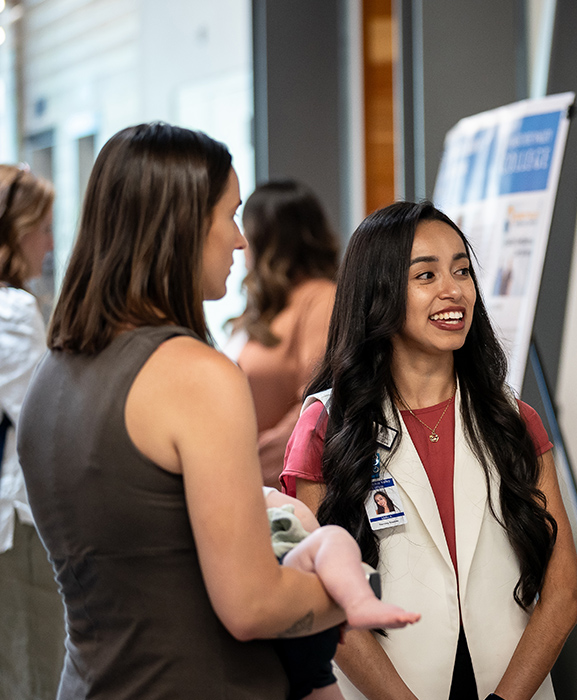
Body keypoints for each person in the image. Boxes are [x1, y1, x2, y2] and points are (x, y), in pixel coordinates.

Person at [17, 122, 348, 699]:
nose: (240, 240)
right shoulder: (197, 375)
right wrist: (354, 584)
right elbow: (253, 604)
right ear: (184, 224)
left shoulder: (54, 372)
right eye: (230, 215)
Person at [281, 201, 577, 700]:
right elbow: (322, 598)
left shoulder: (511, 418)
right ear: (378, 292)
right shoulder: (328, 426)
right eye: (426, 275)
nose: (454, 290)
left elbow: (564, 593)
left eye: (462, 271)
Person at [229, 180, 339, 488]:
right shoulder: (266, 306)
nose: (239, 241)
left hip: (279, 484)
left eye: (244, 228)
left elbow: (317, 405)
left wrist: (248, 461)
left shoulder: (321, 299)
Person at [262, 487, 420, 700]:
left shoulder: (252, 496)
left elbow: (302, 519)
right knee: (332, 536)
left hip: (291, 576)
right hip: (276, 587)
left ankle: (359, 601)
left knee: (333, 536)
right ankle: (357, 601)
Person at [0, 163, 59, 698]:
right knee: (33, 677)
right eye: (43, 228)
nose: (50, 243)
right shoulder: (14, 311)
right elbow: (38, 425)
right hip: (14, 525)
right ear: (16, 233)